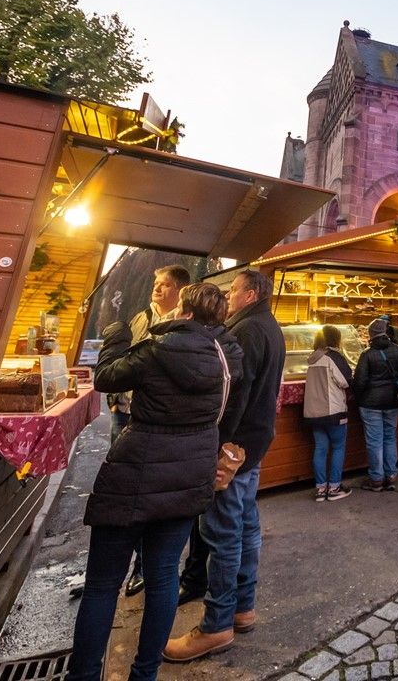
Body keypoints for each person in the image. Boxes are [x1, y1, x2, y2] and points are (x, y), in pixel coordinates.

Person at [69, 283, 242, 681]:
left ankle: (82, 675)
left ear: (183, 311)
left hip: (137, 470)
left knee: (101, 585)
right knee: (164, 576)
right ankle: (145, 673)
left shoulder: (157, 349)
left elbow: (107, 378)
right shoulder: (229, 356)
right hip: (189, 474)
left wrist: (114, 338)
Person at [171, 268, 285, 656]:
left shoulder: (248, 330)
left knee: (222, 533)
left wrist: (222, 445)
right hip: (254, 442)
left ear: (251, 295)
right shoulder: (267, 324)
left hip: (235, 445)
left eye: (234, 290)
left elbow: (236, 394)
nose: (230, 297)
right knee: (245, 524)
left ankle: (217, 624)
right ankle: (243, 608)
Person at [114, 264, 189, 595]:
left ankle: (148, 567)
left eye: (165, 284)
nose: (157, 289)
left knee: (152, 496)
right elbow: (122, 360)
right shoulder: (141, 318)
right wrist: (117, 398)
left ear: (180, 290)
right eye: (156, 283)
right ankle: (130, 562)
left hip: (160, 419)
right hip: (127, 412)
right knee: (124, 490)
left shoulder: (187, 321)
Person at [352, 317, 398, 490]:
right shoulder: (396, 350)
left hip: (370, 404)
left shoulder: (367, 354)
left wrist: (358, 398)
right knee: (390, 437)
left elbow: (359, 381)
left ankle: (376, 478)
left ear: (371, 335)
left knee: (375, 441)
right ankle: (391, 474)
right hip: (392, 401)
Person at [302, 326, 352, 501]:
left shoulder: (312, 358)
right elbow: (345, 381)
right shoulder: (334, 357)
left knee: (320, 448)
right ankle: (335, 487)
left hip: (313, 413)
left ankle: (321, 489)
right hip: (333, 411)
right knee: (338, 447)